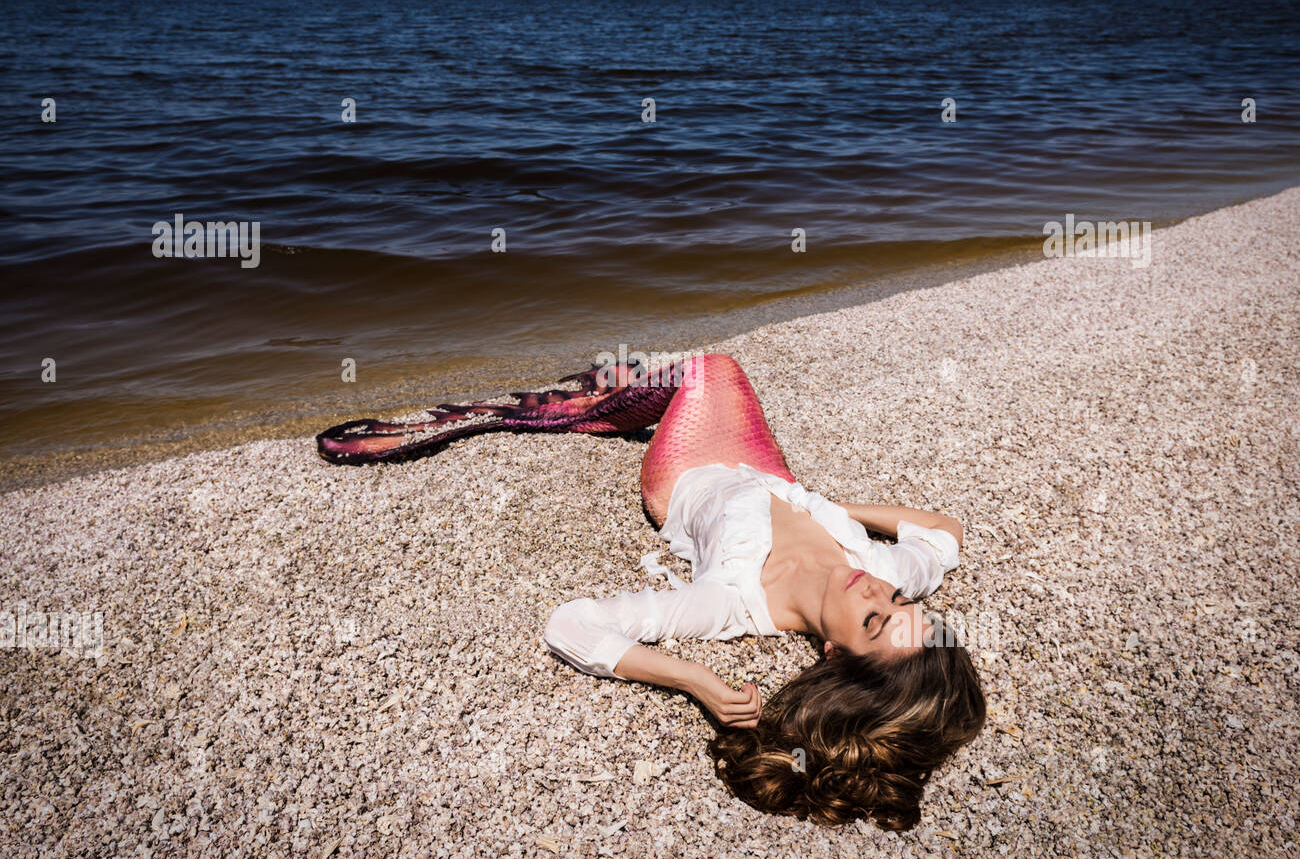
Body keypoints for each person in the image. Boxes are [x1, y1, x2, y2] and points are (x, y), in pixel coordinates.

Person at [316, 352, 986, 830]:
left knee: (708, 371)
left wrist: (691, 679)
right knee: (710, 374)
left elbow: (570, 625)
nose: (878, 589)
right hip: (768, 470)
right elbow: (944, 532)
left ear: (836, 656)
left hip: (688, 474)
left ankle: (554, 411)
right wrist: (832, 508)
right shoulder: (891, 574)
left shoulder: (731, 603)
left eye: (874, 619)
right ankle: (602, 400)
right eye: (900, 605)